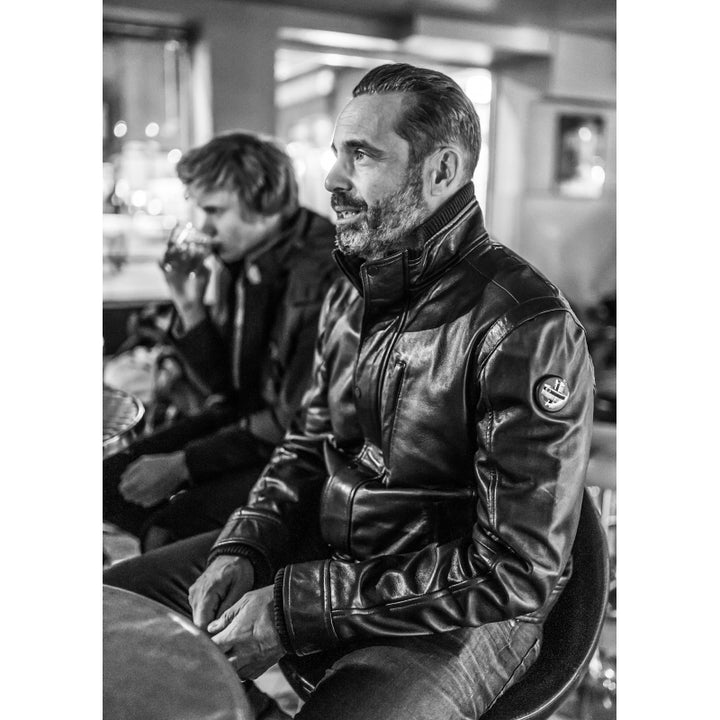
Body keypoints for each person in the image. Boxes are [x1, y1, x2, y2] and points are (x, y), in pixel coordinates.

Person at [105, 63, 595, 719]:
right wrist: (246, 543)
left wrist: (297, 608)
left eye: (360, 156)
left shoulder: (525, 325)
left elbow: (515, 568)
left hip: (461, 608)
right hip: (338, 556)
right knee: (115, 616)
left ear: (442, 171)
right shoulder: (353, 287)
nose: (332, 179)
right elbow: (306, 443)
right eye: (337, 154)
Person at [103, 131, 338, 550]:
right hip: (251, 425)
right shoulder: (244, 259)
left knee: (166, 528)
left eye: (214, 210)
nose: (203, 227)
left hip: (305, 456)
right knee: (107, 481)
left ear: (265, 201)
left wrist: (186, 465)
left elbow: (294, 420)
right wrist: (190, 307)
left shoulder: (319, 274)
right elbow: (226, 388)